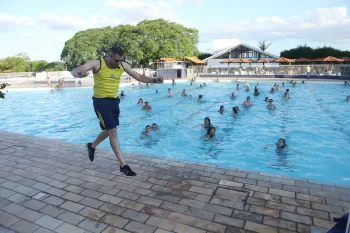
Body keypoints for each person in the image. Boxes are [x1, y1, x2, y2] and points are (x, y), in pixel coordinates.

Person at [70, 45, 163, 176]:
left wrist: (153, 80)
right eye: (116, 60)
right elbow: (77, 70)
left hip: (114, 101)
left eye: (120, 60)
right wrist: (80, 72)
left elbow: (138, 76)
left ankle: (92, 146)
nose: (118, 63)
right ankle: (123, 165)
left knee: (110, 131)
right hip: (101, 102)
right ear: (109, 55)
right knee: (113, 131)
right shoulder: (97, 63)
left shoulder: (122, 65)